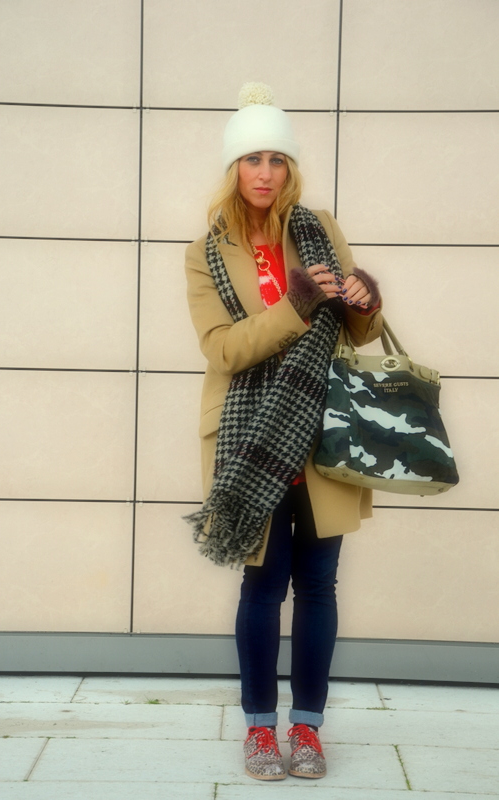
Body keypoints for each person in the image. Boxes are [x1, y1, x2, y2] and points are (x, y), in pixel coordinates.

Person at [184, 83, 383, 781]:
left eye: (276, 158)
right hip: (252, 439)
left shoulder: (319, 228)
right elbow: (224, 350)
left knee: (319, 585)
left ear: (289, 166)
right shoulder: (205, 252)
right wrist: (297, 305)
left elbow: (359, 331)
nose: (265, 172)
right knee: (263, 586)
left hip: (323, 432)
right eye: (252, 159)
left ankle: (308, 728)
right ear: (233, 169)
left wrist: (366, 301)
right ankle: (261, 730)